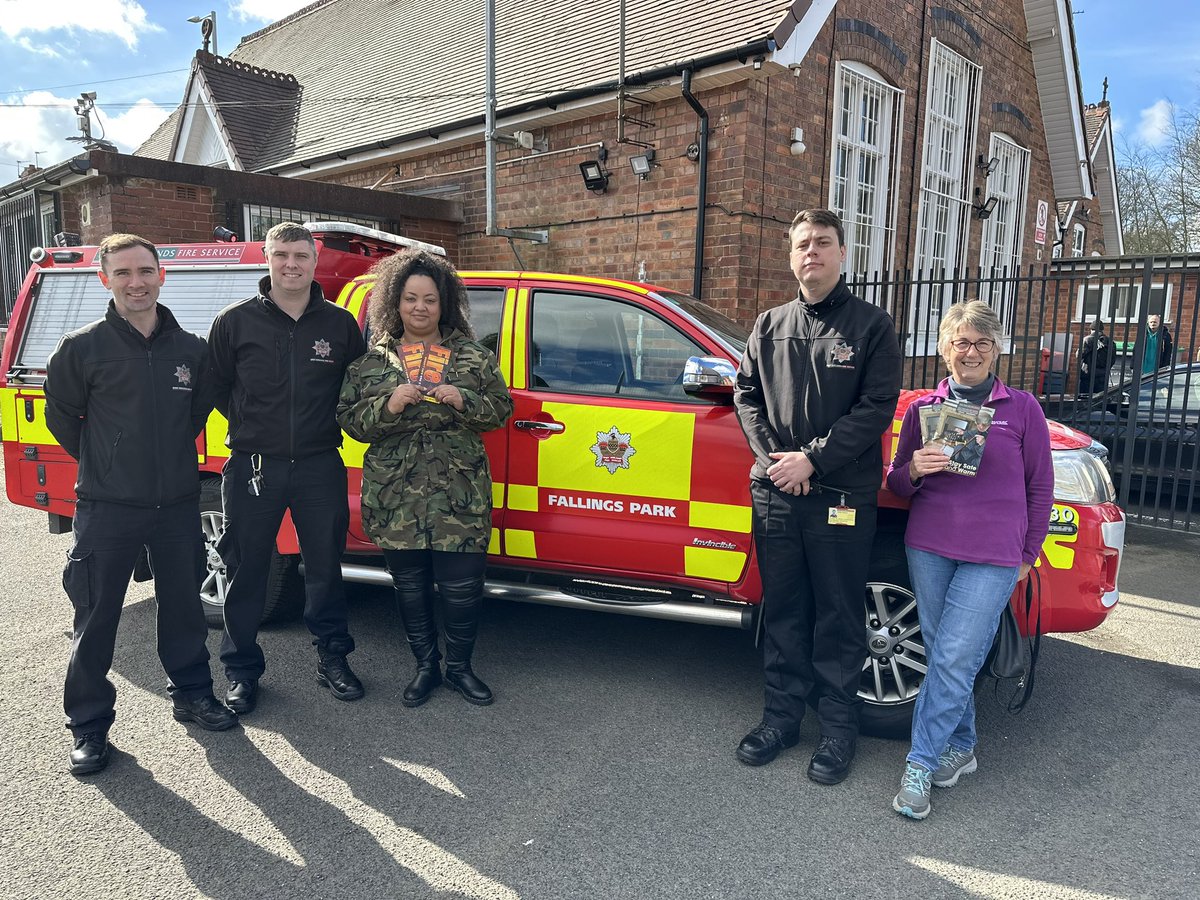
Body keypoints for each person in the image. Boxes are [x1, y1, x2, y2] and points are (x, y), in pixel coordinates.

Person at [44, 233, 238, 776]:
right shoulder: (81, 348)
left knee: (183, 608)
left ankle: (194, 695)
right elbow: (62, 416)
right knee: (96, 617)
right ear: (104, 278)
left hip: (176, 504)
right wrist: (106, 460)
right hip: (107, 506)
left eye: (145, 271)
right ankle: (88, 727)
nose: (136, 282)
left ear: (161, 275)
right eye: (123, 272)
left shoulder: (191, 351)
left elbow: (196, 416)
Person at [733, 208, 902, 783]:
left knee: (837, 614)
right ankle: (780, 720)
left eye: (823, 243)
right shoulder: (768, 325)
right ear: (791, 256)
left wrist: (814, 458)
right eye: (802, 244)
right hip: (778, 492)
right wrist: (778, 463)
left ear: (842, 253)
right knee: (782, 610)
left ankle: (836, 731)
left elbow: (876, 409)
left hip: (840, 494)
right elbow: (746, 397)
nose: (812, 253)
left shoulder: (872, 327)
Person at [885, 300, 1053, 820]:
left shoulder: (1023, 408)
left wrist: (1027, 554)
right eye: (962, 342)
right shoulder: (921, 410)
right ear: (945, 349)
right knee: (942, 652)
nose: (972, 352)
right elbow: (896, 483)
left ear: (997, 349)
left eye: (982, 342)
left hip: (995, 554)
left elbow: (1040, 487)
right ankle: (963, 747)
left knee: (955, 658)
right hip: (930, 545)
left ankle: (920, 764)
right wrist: (913, 466)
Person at [337, 250, 513, 707]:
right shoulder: (370, 363)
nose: (420, 308)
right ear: (395, 303)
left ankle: (459, 669)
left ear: (444, 304)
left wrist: (464, 400)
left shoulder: (474, 356)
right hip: (397, 495)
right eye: (411, 298)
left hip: (459, 494)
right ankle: (425, 667)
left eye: (430, 300)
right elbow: (351, 422)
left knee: (462, 587)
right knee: (410, 587)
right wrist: (389, 404)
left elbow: (501, 412)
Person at [207, 222, 366, 714]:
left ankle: (333, 659)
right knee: (246, 568)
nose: (291, 264)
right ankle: (241, 671)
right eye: (281, 255)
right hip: (255, 466)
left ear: (314, 261)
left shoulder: (339, 324)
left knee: (324, 568)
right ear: (267, 259)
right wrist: (253, 427)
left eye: (300, 255)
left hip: (320, 463)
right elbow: (214, 386)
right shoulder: (234, 321)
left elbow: (357, 388)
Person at [1077, 319, 1111, 394]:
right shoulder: (1110, 342)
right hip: (1102, 376)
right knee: (1100, 400)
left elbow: (1079, 355)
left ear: (1092, 329)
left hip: (1087, 375)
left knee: (1084, 399)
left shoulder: (1087, 340)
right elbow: (1112, 359)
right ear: (1102, 330)